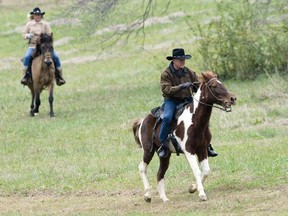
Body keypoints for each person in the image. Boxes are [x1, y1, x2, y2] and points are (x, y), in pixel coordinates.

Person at [157, 48, 218, 158]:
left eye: (184, 59)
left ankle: (207, 145)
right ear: (174, 60)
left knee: (202, 118)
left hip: (187, 99)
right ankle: (163, 145)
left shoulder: (188, 72)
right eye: (180, 60)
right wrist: (181, 87)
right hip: (172, 101)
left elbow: (197, 84)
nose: (183, 62)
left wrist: (198, 87)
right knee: (167, 118)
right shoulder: (166, 74)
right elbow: (166, 90)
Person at [21, 7, 65, 86]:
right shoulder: (29, 24)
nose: (37, 16)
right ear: (33, 15)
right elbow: (23, 34)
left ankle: (59, 76)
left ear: (41, 15)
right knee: (27, 57)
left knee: (56, 57)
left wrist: (44, 39)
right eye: (36, 15)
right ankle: (25, 76)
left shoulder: (45, 24)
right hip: (33, 46)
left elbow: (49, 35)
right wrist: (28, 36)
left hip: (45, 47)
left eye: (39, 15)